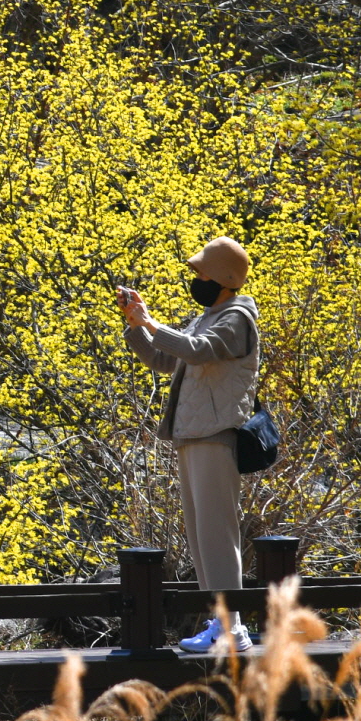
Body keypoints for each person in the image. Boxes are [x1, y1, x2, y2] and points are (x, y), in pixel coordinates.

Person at [119, 237, 261, 655]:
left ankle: (232, 629)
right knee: (202, 537)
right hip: (194, 435)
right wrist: (135, 324)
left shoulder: (237, 319)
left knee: (218, 535)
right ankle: (221, 623)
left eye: (200, 272)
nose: (195, 279)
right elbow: (167, 360)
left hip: (216, 436)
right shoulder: (207, 317)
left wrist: (151, 323)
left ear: (222, 277)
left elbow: (198, 351)